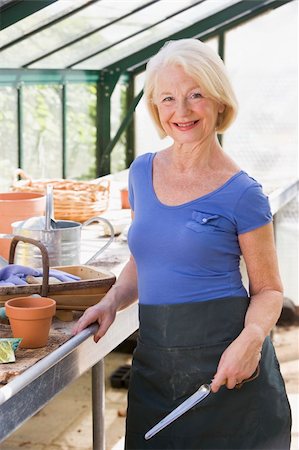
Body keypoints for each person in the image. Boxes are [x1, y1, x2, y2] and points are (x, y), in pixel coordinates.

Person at [73, 39, 291, 449]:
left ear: (220, 102)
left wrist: (250, 342)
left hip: (228, 364)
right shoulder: (141, 172)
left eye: (196, 95)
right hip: (156, 363)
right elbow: (147, 254)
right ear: (156, 108)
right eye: (168, 98)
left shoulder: (243, 193)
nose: (182, 111)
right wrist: (112, 299)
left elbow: (269, 290)